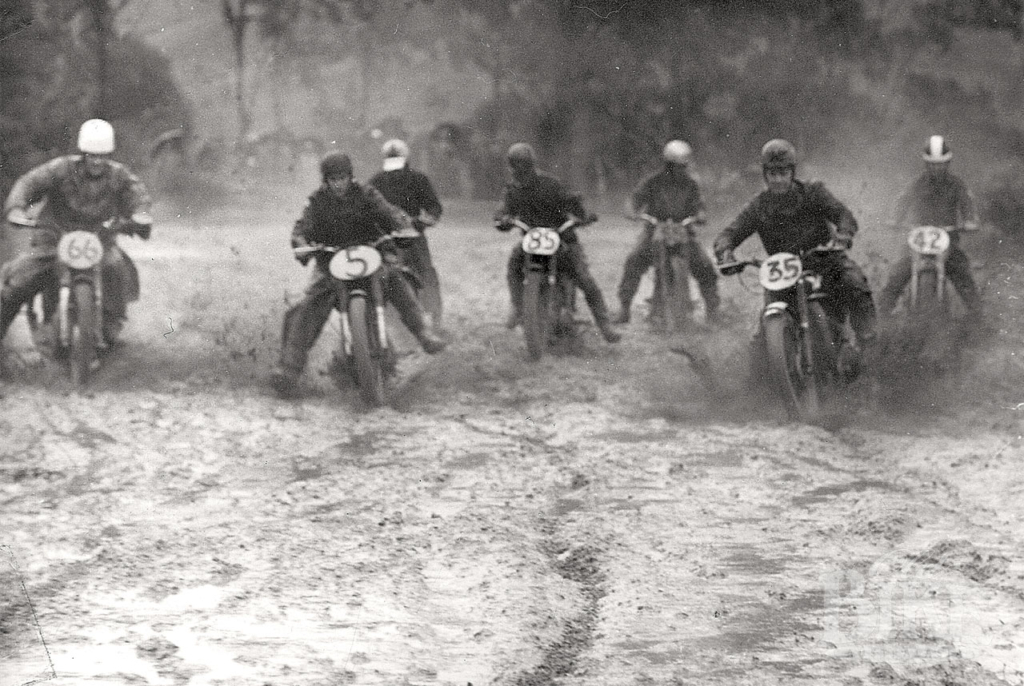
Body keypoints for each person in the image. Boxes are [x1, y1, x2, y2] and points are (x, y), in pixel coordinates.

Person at [271, 151, 446, 398]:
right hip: (331, 262)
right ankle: (289, 369)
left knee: (395, 279)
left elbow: (391, 213)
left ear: (350, 177)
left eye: (342, 178)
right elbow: (301, 228)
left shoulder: (367, 194)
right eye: (333, 179)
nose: (338, 183)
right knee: (309, 305)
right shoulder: (317, 201)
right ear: (326, 181)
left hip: (371, 253)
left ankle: (424, 333)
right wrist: (301, 244)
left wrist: (403, 227)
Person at [1, 118, 152, 351]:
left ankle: (110, 328)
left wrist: (140, 215)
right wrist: (17, 207)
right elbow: (29, 183)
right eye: (92, 155)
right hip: (53, 236)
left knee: (115, 268)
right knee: (21, 277)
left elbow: (137, 194)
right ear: (83, 153)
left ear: (109, 155)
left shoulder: (119, 176)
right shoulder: (61, 169)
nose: (97, 161)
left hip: (99, 239)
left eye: (102, 156)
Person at [713, 139, 877, 351]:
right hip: (784, 276)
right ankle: (760, 377)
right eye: (772, 174)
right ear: (765, 175)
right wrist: (725, 252)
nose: (778, 180)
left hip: (825, 260)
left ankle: (869, 344)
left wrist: (843, 235)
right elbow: (730, 233)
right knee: (764, 334)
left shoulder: (813, 193)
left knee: (853, 281)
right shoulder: (758, 207)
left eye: (783, 173)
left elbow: (843, 214)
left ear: (792, 172)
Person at [494, 142, 621, 344]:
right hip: (532, 241)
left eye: (524, 165)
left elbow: (572, 201)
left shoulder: (551, 184)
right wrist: (503, 219)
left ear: (531, 164)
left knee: (584, 278)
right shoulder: (512, 190)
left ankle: (605, 325)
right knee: (514, 266)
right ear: (511, 166)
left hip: (562, 239)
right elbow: (502, 211)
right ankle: (518, 307)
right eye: (516, 165)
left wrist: (582, 215)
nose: (520, 170)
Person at [613, 140, 721, 324]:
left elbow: (700, 206)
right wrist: (632, 212)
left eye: (683, 167)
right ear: (668, 165)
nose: (680, 170)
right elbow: (634, 199)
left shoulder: (691, 185)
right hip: (655, 231)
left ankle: (713, 310)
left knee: (705, 266)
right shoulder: (653, 182)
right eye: (675, 167)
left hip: (683, 231)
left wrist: (700, 216)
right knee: (634, 260)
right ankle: (624, 308)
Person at [877, 135, 983, 321]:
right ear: (926, 164)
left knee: (964, 276)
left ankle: (977, 319)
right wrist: (895, 219)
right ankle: (881, 318)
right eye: (932, 164)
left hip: (947, 242)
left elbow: (967, 203)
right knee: (896, 276)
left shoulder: (956, 185)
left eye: (941, 164)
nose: (937, 168)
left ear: (947, 163)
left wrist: (970, 221)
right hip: (917, 242)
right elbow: (902, 201)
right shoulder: (917, 184)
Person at [368, 139, 445, 326]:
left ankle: (435, 315)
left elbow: (434, 207)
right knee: (379, 275)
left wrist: (422, 222)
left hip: (413, 235)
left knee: (426, 272)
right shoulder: (376, 181)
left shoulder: (418, 179)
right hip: (386, 237)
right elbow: (366, 208)